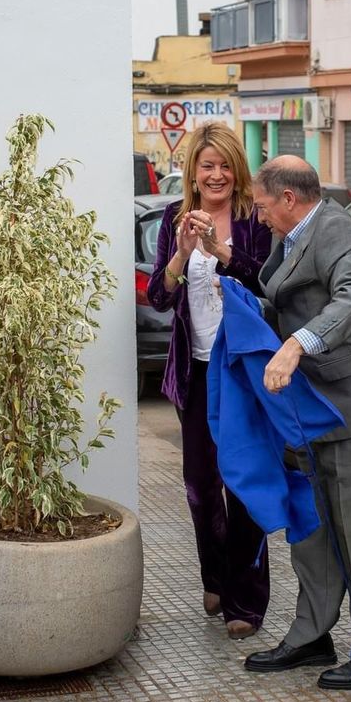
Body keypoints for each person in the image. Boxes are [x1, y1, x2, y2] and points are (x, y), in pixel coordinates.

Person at [242, 156, 351, 690]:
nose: (259, 216)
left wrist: (296, 344)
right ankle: (313, 633)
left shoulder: (341, 233)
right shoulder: (293, 234)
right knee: (311, 532)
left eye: (263, 205)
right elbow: (287, 292)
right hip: (309, 410)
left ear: (289, 198)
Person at [143, 123, 273, 638]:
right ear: (192, 172)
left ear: (236, 170)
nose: (216, 175)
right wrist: (180, 251)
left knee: (242, 485)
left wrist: (221, 252)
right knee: (200, 485)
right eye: (207, 166)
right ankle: (215, 576)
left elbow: (268, 280)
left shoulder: (252, 219)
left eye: (224, 166)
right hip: (194, 372)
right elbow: (158, 296)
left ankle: (247, 600)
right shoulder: (176, 221)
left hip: (241, 371)